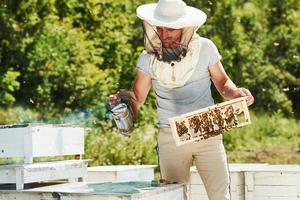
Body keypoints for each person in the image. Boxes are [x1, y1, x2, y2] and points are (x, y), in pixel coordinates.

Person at [109, 0, 254, 199]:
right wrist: (123, 107)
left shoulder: (205, 48)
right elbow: (137, 98)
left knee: (220, 196)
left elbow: (223, 83)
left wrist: (237, 94)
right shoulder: (147, 58)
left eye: (170, 29)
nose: (163, 34)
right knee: (173, 197)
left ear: (184, 28)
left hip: (207, 131)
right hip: (170, 137)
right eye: (160, 28)